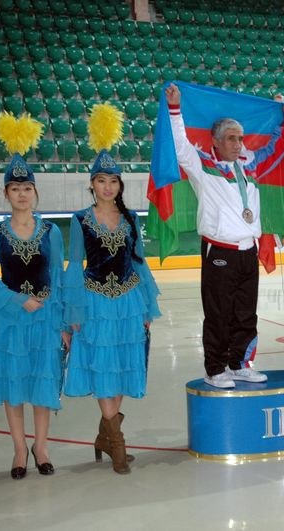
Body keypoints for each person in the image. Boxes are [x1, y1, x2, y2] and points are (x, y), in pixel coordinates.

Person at [164, 83, 284, 389]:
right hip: (219, 251)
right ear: (216, 141)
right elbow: (180, 145)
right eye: (231, 139)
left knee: (245, 313)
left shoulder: (250, 165)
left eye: (240, 138)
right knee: (219, 314)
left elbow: (275, 149)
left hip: (248, 250)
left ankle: (239, 364)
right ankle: (215, 368)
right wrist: (174, 110)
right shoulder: (202, 165)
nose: (238, 144)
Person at [63, 103, 161, 474]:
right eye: (101, 181)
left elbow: (138, 261)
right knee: (104, 369)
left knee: (120, 367)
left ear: (120, 185)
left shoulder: (131, 219)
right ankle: (116, 444)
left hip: (129, 301)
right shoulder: (80, 220)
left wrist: (147, 307)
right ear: (91, 184)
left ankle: (106, 435)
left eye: (114, 181)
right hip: (95, 303)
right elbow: (74, 268)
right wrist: (72, 313)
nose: (108, 187)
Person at [0, 112, 65, 479]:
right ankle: (18, 450)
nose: (22, 194)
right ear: (6, 193)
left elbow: (58, 277)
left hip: (44, 318)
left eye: (27, 189)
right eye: (15, 189)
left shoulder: (50, 232)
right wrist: (16, 300)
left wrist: (59, 319)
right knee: (14, 386)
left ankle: (41, 446)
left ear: (35, 192)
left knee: (41, 384)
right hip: (11, 319)